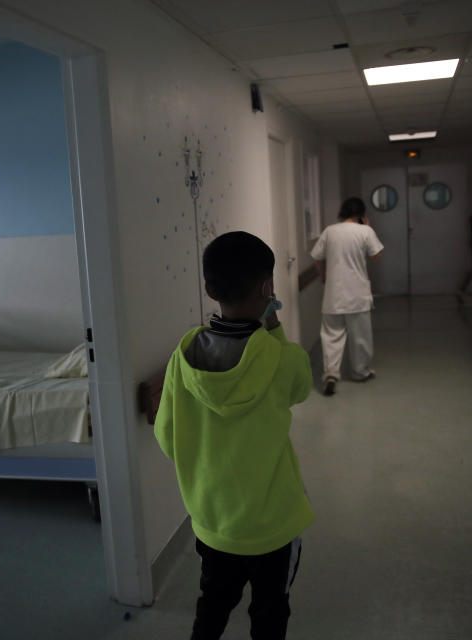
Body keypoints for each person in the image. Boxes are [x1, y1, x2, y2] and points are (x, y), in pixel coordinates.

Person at [154, 231, 314, 640]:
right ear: (267, 288)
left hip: (213, 520)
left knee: (213, 603)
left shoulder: (183, 354)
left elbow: (166, 435)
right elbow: (299, 390)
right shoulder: (282, 359)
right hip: (272, 525)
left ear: (209, 289)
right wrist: (273, 325)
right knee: (270, 610)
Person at [310, 197, 384, 397]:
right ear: (361, 214)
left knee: (331, 336)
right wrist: (367, 226)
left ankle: (331, 374)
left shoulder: (329, 231)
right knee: (361, 337)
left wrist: (323, 275)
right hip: (357, 295)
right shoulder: (365, 231)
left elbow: (316, 256)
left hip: (333, 294)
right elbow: (376, 256)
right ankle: (361, 372)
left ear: (342, 212)